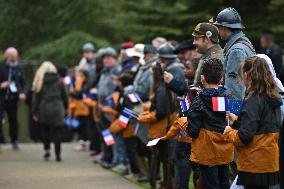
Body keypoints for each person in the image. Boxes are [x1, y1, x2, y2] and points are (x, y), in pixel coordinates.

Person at [224, 56, 282, 188]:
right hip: (269, 162)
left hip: (253, 165)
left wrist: (229, 133)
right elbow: (261, 126)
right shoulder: (273, 97)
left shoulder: (254, 100)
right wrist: (237, 121)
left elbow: (245, 137)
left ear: (247, 74)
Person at [187, 58, 234, 189]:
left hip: (207, 152)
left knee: (210, 184)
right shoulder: (228, 96)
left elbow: (193, 130)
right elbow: (234, 118)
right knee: (224, 182)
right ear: (221, 79)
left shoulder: (198, 101)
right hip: (225, 150)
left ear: (202, 78)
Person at [138, 62, 178, 189]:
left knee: (164, 161)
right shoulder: (162, 88)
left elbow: (160, 112)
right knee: (163, 160)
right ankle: (165, 184)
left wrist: (146, 117)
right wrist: (148, 112)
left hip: (162, 131)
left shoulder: (161, 89)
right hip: (162, 129)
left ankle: (167, 184)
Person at [214, 7, 256, 99]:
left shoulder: (236, 51)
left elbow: (235, 89)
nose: (218, 31)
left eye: (219, 27)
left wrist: (233, 111)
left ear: (224, 28)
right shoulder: (245, 43)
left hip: (240, 107)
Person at [32, 61, 68, 161]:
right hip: (57, 108)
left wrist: (35, 111)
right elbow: (65, 96)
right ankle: (58, 154)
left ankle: (47, 150)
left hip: (44, 108)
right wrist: (66, 107)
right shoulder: (59, 81)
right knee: (57, 132)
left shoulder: (40, 81)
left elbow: (36, 98)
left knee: (45, 131)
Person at [0, 47, 26, 150]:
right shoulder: (1, 67)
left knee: (13, 120)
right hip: (1, 98)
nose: (14, 58)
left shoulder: (18, 67)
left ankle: (14, 140)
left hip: (13, 98)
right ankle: (1, 141)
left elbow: (23, 81)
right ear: (7, 56)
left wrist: (23, 92)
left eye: (15, 56)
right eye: (12, 56)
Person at [192, 22, 224, 88]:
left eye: (196, 39)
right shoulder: (211, 56)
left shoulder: (215, 58)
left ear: (206, 39)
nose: (193, 43)